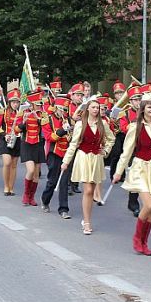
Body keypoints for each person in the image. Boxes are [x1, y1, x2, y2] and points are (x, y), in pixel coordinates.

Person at [113, 95, 151, 254]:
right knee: (148, 205)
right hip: (139, 168)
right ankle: (137, 238)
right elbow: (126, 152)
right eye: (149, 107)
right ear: (143, 109)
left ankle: (145, 243)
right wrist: (118, 172)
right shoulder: (135, 127)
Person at [61, 99, 115, 235]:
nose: (96, 110)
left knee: (91, 189)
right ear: (88, 109)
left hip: (96, 159)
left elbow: (111, 138)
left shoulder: (103, 124)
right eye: (93, 107)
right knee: (88, 190)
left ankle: (87, 218)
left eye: (98, 107)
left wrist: (106, 150)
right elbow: (73, 144)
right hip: (84, 158)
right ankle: (86, 221)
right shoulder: (80, 124)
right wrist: (66, 161)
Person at [41, 94, 73, 218]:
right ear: (56, 108)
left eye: (65, 110)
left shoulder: (69, 120)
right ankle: (45, 200)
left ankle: (63, 209)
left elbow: (72, 138)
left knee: (64, 182)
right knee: (52, 181)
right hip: (53, 153)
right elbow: (50, 138)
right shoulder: (47, 119)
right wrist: (62, 131)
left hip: (66, 154)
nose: (63, 112)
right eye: (61, 109)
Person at [16, 89, 48, 206]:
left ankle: (32, 196)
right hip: (27, 143)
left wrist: (38, 118)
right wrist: (23, 122)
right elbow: (17, 130)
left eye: (41, 104)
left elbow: (46, 129)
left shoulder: (43, 115)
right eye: (38, 104)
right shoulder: (23, 112)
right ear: (32, 104)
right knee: (30, 170)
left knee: (36, 174)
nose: (40, 106)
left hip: (38, 144)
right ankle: (26, 194)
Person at [118, 83, 143, 216]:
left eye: (140, 99)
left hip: (144, 146)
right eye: (135, 99)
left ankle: (138, 201)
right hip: (132, 147)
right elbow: (123, 128)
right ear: (131, 100)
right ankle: (133, 203)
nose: (138, 102)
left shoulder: (145, 112)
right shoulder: (125, 113)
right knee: (135, 175)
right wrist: (135, 124)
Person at [0, 88, 22, 195]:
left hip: (17, 140)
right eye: (13, 102)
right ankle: (6, 186)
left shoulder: (20, 113)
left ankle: (11, 187)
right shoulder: (3, 112)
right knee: (7, 163)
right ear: (9, 102)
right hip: (5, 140)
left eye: (17, 102)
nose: (15, 104)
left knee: (14, 164)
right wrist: (5, 135)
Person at [68, 82, 85, 194]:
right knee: (70, 161)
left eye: (81, 95)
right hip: (70, 136)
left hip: (81, 136)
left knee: (78, 162)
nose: (80, 97)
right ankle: (68, 184)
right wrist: (73, 119)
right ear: (72, 95)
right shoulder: (67, 105)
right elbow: (65, 120)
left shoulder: (84, 106)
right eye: (77, 95)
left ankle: (75, 184)